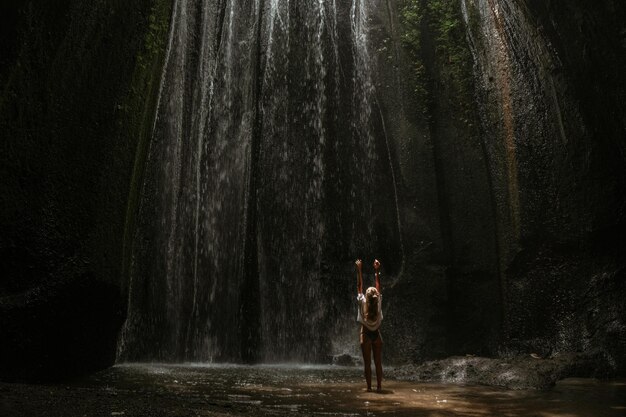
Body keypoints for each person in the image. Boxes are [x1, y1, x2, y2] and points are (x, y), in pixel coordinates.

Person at [355, 258, 383, 392]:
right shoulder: (378, 303)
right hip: (376, 334)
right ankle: (379, 387)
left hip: (365, 334)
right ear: (376, 296)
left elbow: (359, 285)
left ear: (366, 296)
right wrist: (376, 270)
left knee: (367, 364)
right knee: (378, 362)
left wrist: (359, 270)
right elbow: (378, 286)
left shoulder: (362, 302)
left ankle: (368, 388)